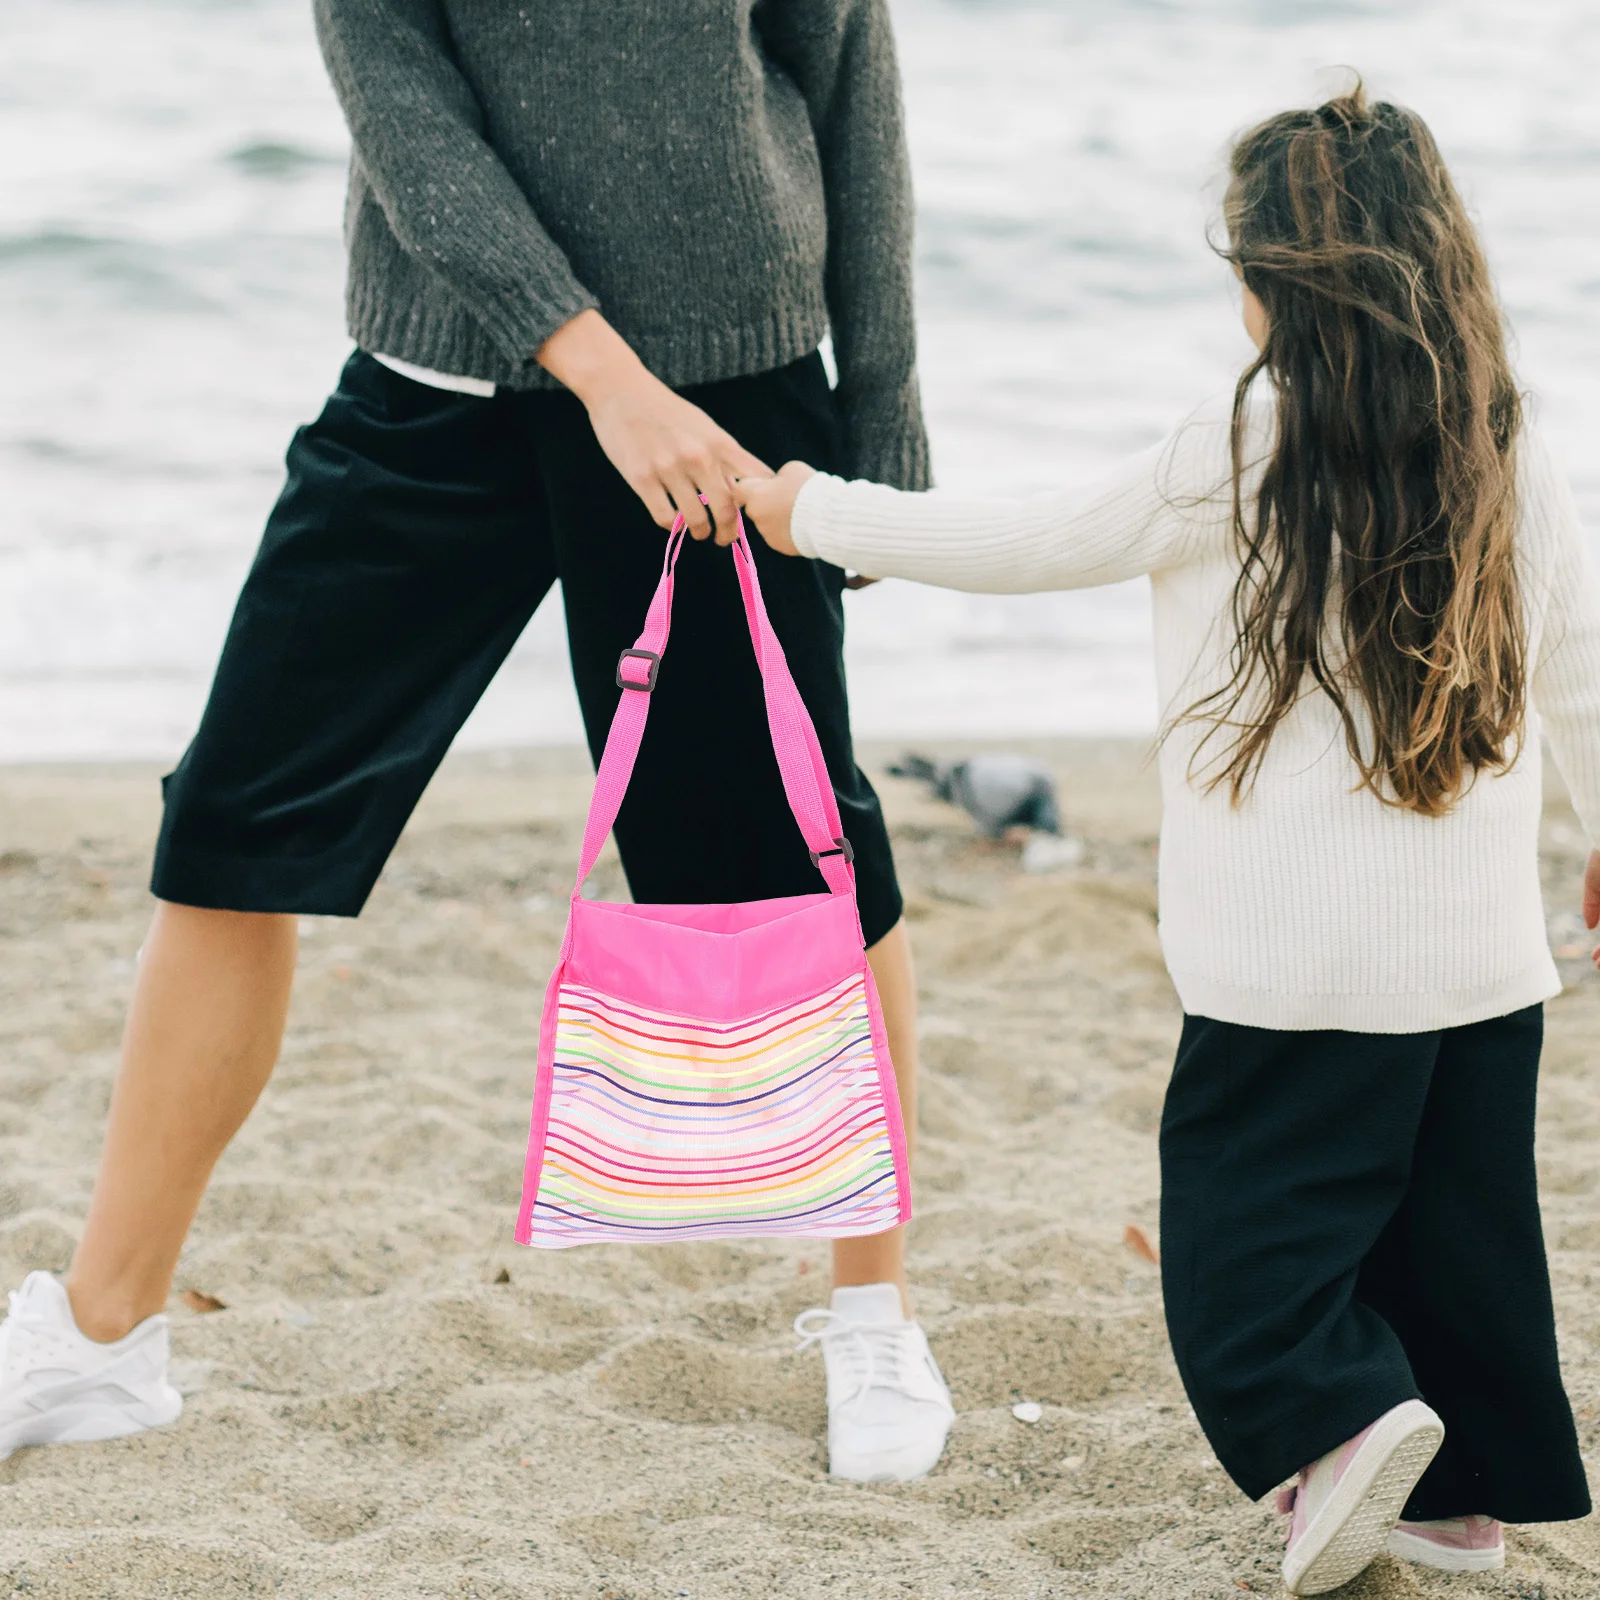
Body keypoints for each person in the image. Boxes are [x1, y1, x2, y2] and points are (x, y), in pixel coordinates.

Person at [0, 0, 955, 1484]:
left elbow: (850, 81)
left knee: (804, 853)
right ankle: (106, 1331)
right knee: (235, 831)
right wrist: (605, 376)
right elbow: (403, 115)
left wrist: (884, 423)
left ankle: (875, 1311)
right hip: (442, 380)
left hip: (725, 388)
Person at [739, 85, 1595, 1592]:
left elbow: (1027, 541)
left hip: (1287, 963)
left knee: (1243, 1250)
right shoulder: (1507, 434)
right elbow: (1583, 664)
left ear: (1272, 279)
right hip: (1479, 966)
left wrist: (805, 508)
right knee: (1457, 1237)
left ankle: (1335, 1438)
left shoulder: (1245, 439)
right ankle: (1458, 1506)